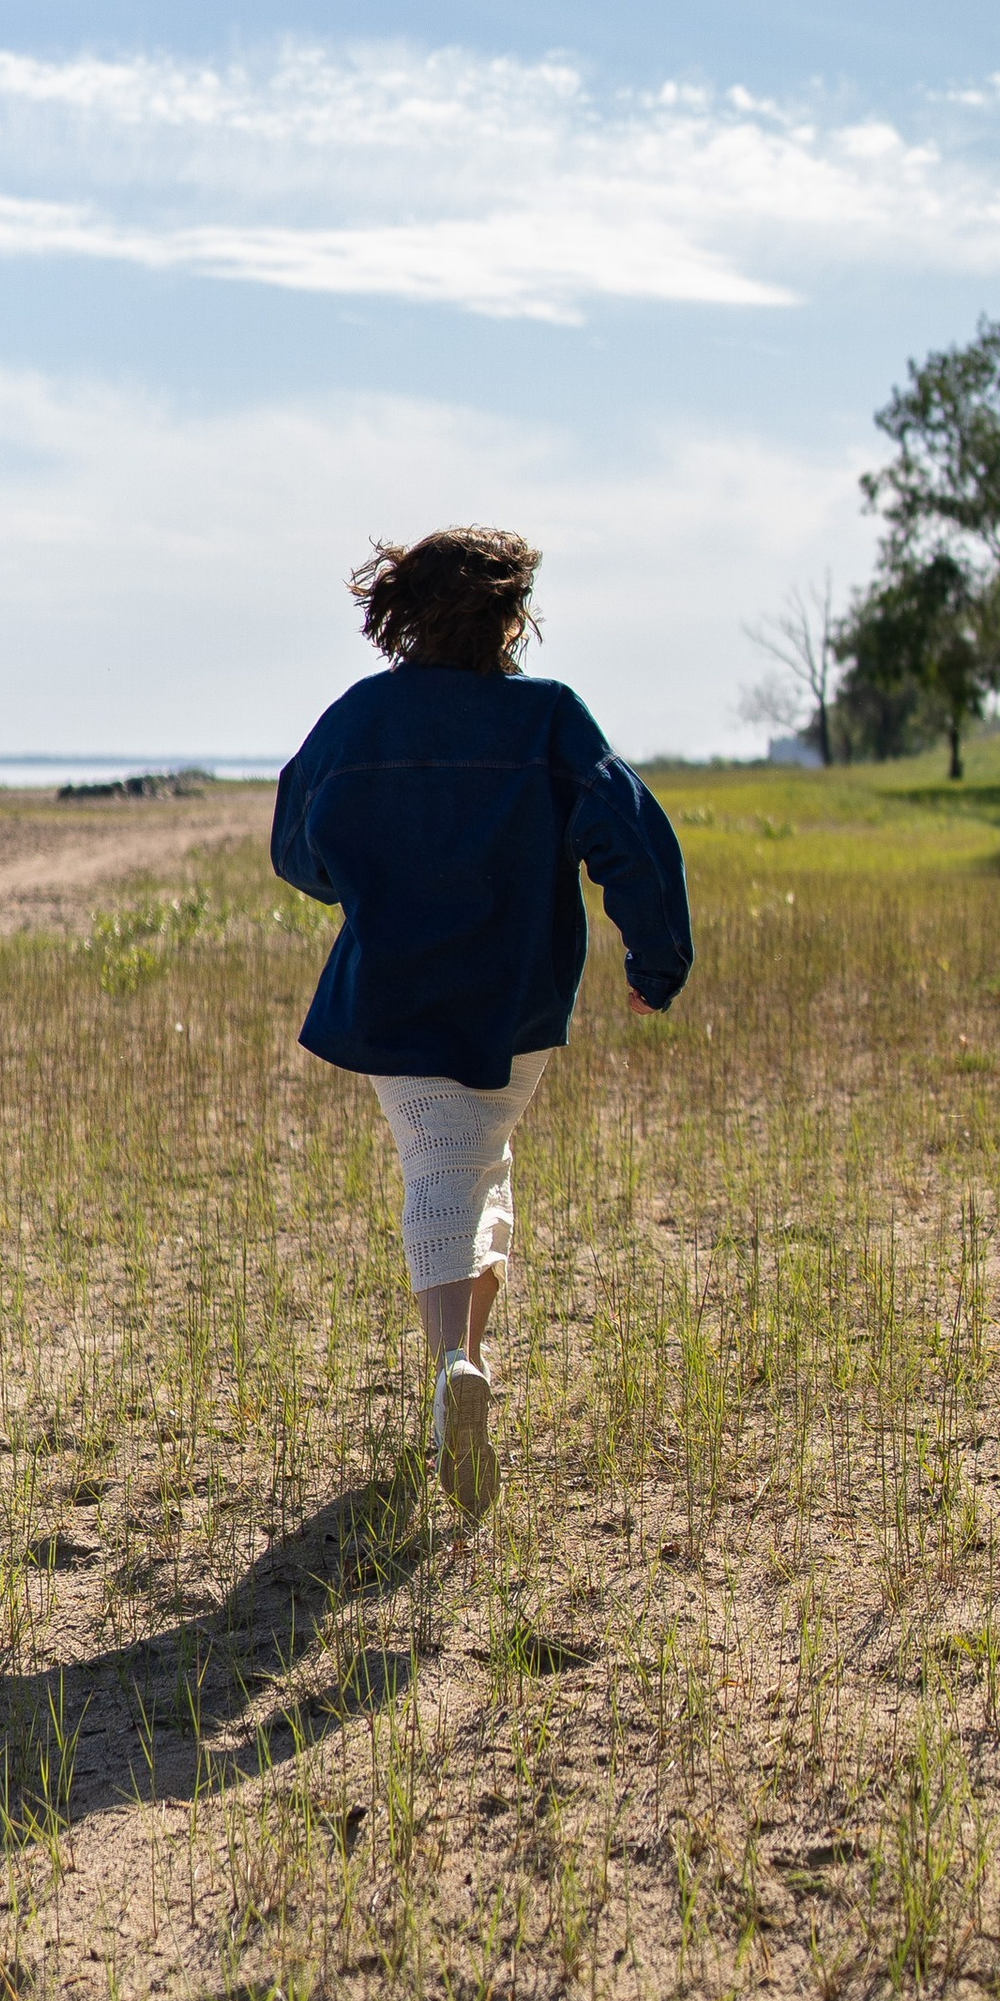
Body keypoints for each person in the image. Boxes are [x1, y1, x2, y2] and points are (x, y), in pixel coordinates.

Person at [272, 526, 693, 1513]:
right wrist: (655, 962)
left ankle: (452, 1367)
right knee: (473, 1168)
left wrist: (362, 882)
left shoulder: (361, 717)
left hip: (394, 994)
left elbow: (297, 846)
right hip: (517, 1002)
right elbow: (633, 835)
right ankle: (461, 1366)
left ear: (403, 615)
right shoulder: (548, 720)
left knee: (441, 1171)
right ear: (509, 617)